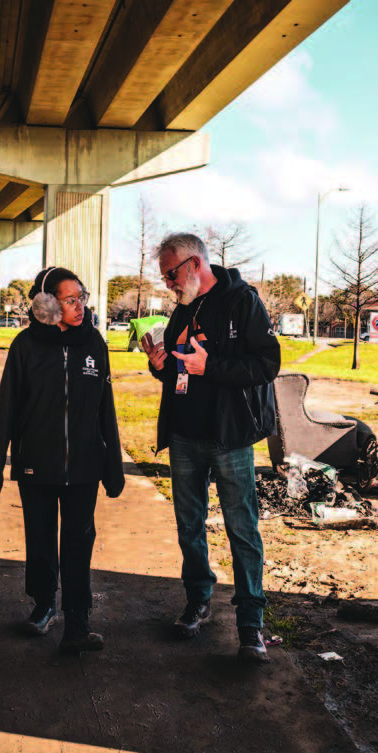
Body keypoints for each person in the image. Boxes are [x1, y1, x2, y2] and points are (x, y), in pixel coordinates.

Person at [143, 233, 281, 663]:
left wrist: (212, 366)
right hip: (185, 435)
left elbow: (267, 363)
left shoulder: (243, 301)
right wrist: (160, 366)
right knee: (189, 525)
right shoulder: (183, 307)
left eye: (169, 273)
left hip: (230, 437)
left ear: (193, 264)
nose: (166, 282)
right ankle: (198, 599)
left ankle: (250, 624)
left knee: (242, 529)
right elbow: (179, 374)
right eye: (163, 274)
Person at [0, 266, 124, 653]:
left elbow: (103, 408)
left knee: (79, 541)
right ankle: (44, 604)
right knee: (40, 540)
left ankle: (78, 621)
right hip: (35, 465)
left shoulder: (94, 344)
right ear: (47, 304)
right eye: (70, 299)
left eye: (82, 297)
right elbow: (6, 409)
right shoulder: (26, 345)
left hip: (84, 467)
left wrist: (113, 467)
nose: (80, 306)